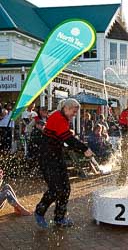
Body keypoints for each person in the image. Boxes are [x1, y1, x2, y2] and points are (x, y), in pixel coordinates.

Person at [34, 98, 93, 228]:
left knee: (66, 188)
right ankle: (39, 212)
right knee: (55, 189)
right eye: (74, 111)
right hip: (48, 158)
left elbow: (63, 137)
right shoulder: (58, 117)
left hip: (57, 156)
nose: (74, 114)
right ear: (66, 108)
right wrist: (85, 149)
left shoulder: (62, 118)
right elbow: (69, 139)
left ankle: (59, 218)